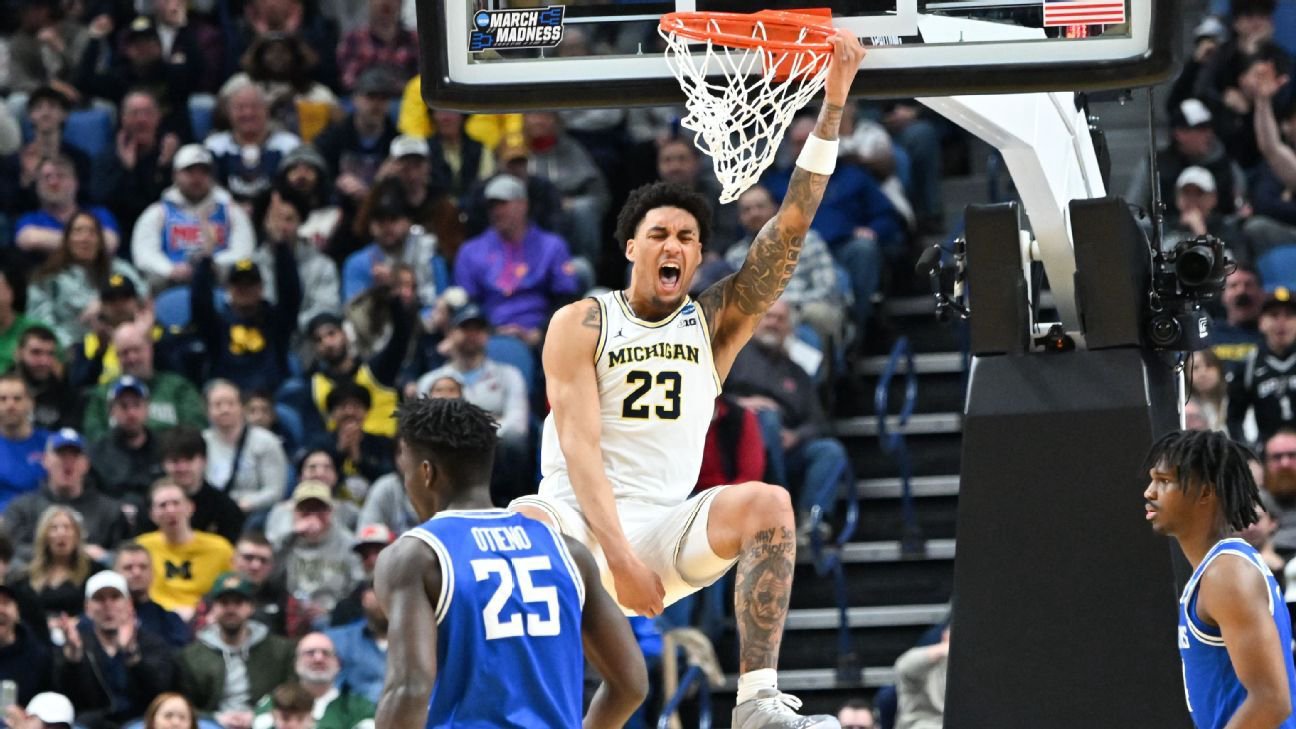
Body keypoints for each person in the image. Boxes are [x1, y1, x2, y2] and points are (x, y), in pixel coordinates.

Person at [510, 30, 864, 729]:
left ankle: (758, 702)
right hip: (577, 526)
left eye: (688, 238)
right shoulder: (582, 320)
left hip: (665, 529)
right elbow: (579, 449)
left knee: (769, 502)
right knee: (523, 517)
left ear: (700, 256)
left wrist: (832, 107)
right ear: (630, 246)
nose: (674, 245)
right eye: (660, 233)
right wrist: (615, 553)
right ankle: (521, 708)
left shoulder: (714, 322)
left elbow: (791, 225)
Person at [375, 397, 646, 728]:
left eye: (407, 473)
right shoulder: (567, 551)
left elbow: (410, 689)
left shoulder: (416, 555)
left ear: (427, 473)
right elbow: (631, 684)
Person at [1143, 429, 1296, 728]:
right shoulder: (1220, 568)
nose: (1149, 492)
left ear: (1204, 492)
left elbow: (1271, 700)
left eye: (1164, 481)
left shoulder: (1227, 573)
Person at [51, 571, 176, 729]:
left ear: (129, 603)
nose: (108, 605)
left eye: (115, 597)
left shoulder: (152, 643)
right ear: (87, 608)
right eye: (99, 599)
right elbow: (66, 699)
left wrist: (132, 655)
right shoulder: (76, 643)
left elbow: (160, 693)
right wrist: (73, 659)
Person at [177, 571, 296, 726]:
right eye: (224, 603)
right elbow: (184, 705)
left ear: (251, 607)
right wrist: (216, 717)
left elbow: (292, 694)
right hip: (212, 723)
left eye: (238, 603)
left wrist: (258, 715)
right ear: (214, 608)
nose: (231, 609)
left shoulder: (280, 649)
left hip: (267, 721)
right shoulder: (191, 655)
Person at [5, 430, 127, 564]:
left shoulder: (110, 511)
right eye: (61, 454)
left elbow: (125, 554)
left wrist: (106, 557)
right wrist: (67, 552)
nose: (68, 462)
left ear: (86, 464)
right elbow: (11, 550)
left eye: (74, 455)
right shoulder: (21, 509)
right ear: (46, 461)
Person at [135, 479, 236, 619]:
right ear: (152, 515)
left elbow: (233, 588)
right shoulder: (142, 547)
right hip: (156, 619)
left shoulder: (220, 548)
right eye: (163, 505)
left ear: (190, 508)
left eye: (176, 503)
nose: (170, 510)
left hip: (205, 619)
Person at [252, 633, 374, 729]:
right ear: (295, 663)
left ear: (338, 663)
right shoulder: (274, 702)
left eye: (326, 653)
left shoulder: (360, 707)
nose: (318, 658)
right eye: (310, 653)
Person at [1229, 287, 1296, 445]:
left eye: (1289, 316)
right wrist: (1249, 456)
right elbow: (1234, 419)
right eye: (1274, 315)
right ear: (1261, 322)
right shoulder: (1248, 366)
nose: (1281, 323)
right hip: (1268, 456)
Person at [114, 542, 191, 648]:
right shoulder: (101, 618)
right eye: (128, 567)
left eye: (143, 567)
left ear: (152, 573)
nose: (137, 572)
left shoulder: (170, 621)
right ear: (115, 573)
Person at [0, 374, 49, 510]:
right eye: (2, 399)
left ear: (30, 403)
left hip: (42, 521)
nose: (10, 405)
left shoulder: (50, 444)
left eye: (17, 399)